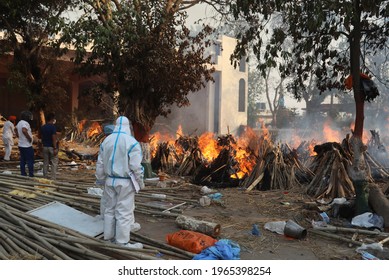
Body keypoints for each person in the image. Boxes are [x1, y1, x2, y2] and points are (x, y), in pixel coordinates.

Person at [95, 116, 144, 249]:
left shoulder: (106, 141)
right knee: (124, 211)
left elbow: (100, 163)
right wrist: (140, 181)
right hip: (126, 182)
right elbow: (136, 166)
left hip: (109, 180)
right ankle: (122, 241)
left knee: (109, 209)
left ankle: (108, 237)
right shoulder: (132, 142)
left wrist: (100, 178)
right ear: (128, 127)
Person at [15, 111, 34, 177]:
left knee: (22, 160)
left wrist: (18, 135)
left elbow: (15, 129)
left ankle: (23, 174)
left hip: (21, 145)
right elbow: (24, 130)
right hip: (27, 145)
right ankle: (31, 174)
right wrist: (29, 138)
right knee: (30, 160)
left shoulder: (19, 122)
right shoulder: (25, 123)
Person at [40, 112, 59, 180]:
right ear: (52, 119)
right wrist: (55, 148)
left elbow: (41, 137)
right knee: (54, 163)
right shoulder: (52, 127)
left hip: (45, 147)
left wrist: (42, 145)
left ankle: (45, 177)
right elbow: (53, 137)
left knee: (45, 163)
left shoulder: (43, 127)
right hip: (51, 147)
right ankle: (53, 178)